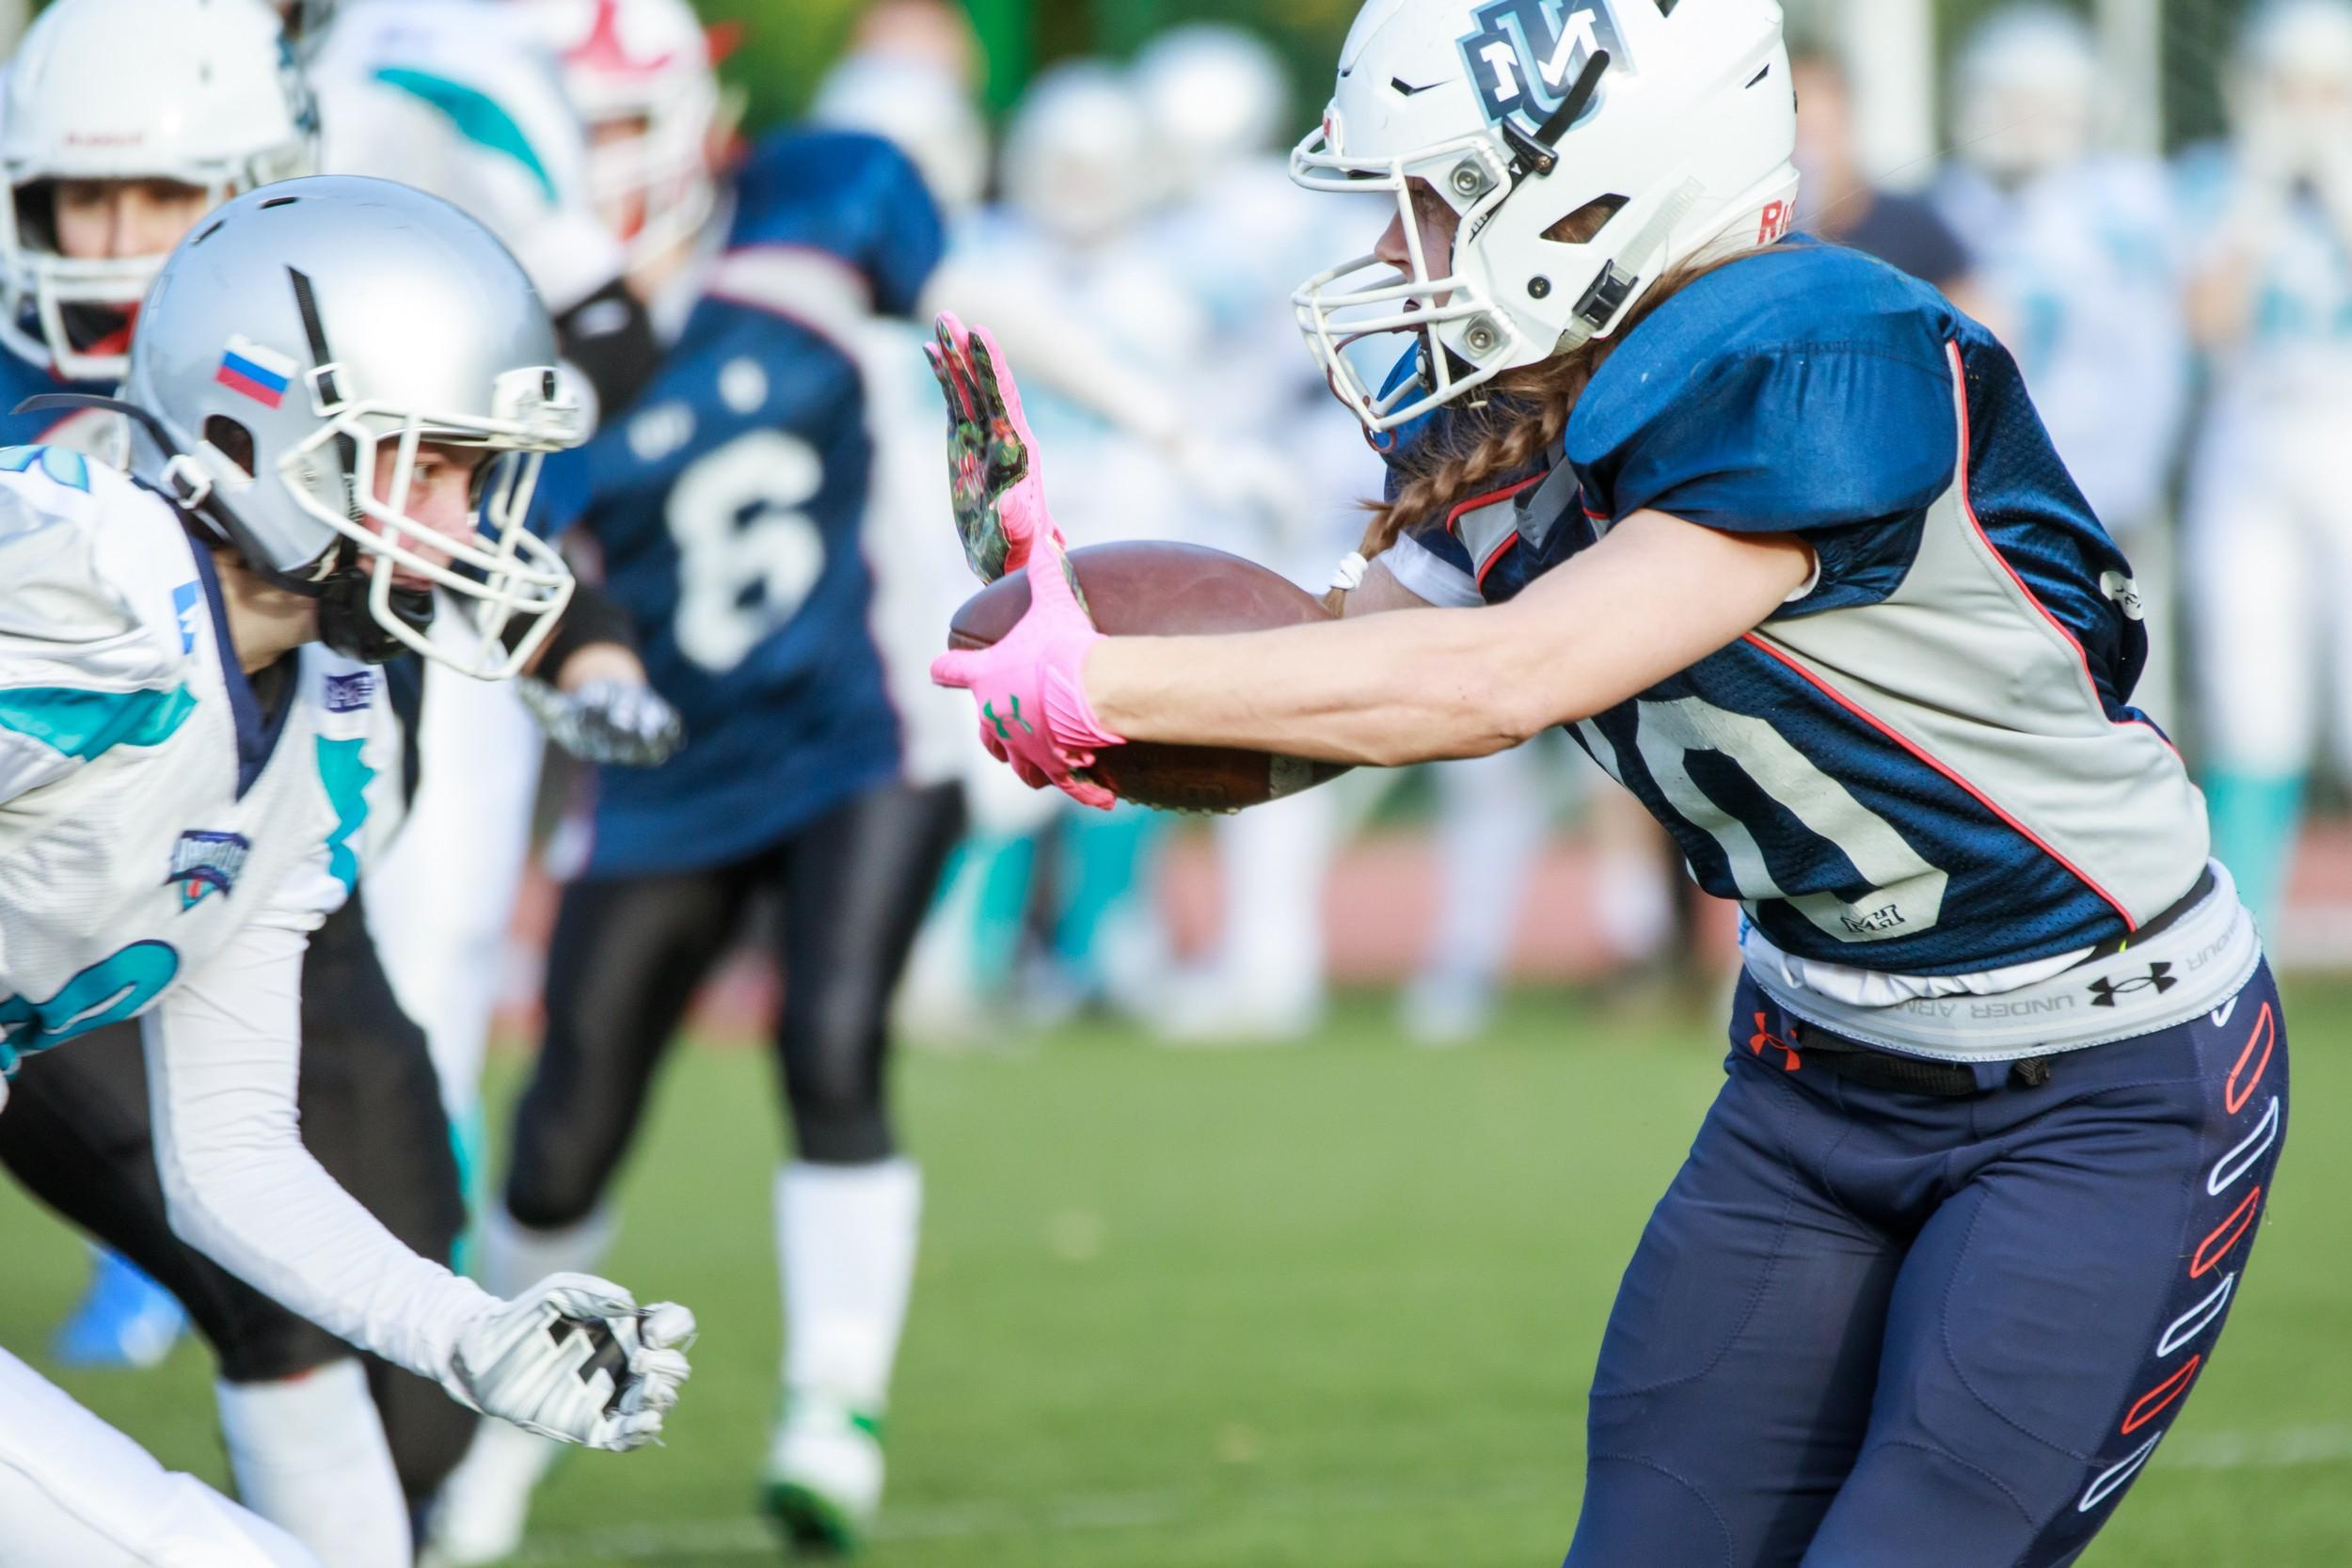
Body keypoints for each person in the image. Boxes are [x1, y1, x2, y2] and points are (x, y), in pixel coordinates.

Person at [929, 2, 2285, 1563]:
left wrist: (1112, 682)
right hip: (1812, 1072)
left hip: (2100, 1081)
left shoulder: (1819, 351)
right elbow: (1348, 683)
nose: (1392, 248)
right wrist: (1074, 641)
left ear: (1601, 185)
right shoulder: (1515, 401)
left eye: (1435, 198)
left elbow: (1506, 677)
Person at [0, 4, 683, 1559]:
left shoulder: (328, 723)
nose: (468, 522)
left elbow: (232, 1156)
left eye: (474, 472)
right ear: (260, 431)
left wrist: (467, 1330)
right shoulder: (76, 590)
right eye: (425, 463)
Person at [427, 1, 957, 1559]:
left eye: (610, 130)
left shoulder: (822, 205)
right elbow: (511, 564)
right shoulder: (525, 326)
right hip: (664, 766)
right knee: (564, 1128)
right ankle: (503, 1441)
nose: (590, 169)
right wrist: (580, 676)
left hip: (863, 727)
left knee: (834, 1037)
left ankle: (833, 1410)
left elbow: (976, 318)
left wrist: (1165, 425)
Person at [1932, 5, 2190, 726]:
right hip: (1991, 499)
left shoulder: (2127, 201)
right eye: (2009, 98)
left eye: (2042, 101)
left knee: (2126, 679)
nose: (2024, 121)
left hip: (2106, 484)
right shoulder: (1950, 205)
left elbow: (2159, 348)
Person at [2180, 0, 2352, 936]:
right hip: (2249, 433)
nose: (2304, 107)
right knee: (2250, 692)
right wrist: (2256, 199)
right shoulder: (2213, 182)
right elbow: (2206, 320)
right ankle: (2247, 935)